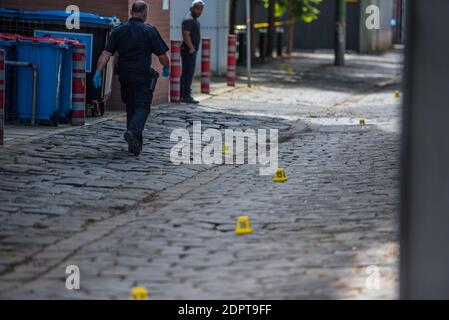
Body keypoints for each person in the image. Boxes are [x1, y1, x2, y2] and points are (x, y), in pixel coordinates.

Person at [93, 0, 170, 156]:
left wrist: (98, 71)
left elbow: (106, 54)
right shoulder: (149, 30)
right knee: (142, 107)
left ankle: (134, 144)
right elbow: (162, 55)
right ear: (143, 13)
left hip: (125, 76)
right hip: (142, 75)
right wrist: (167, 67)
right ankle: (133, 131)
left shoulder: (118, 30)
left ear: (131, 12)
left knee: (131, 107)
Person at [180, 0, 205, 104]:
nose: (201, 11)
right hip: (188, 50)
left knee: (188, 72)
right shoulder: (189, 19)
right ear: (194, 8)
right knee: (188, 72)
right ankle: (185, 95)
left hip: (191, 50)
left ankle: (184, 94)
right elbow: (186, 34)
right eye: (199, 9)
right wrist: (191, 47)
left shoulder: (193, 19)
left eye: (202, 9)